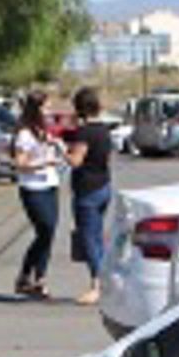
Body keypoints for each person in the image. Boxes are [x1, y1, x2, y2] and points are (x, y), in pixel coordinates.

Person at [63, 86, 113, 306]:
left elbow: (76, 161)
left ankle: (97, 285)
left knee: (89, 239)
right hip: (104, 185)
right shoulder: (104, 130)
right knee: (97, 235)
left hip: (87, 190)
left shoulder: (84, 133)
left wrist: (61, 150)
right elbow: (106, 158)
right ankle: (104, 280)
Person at [11, 92, 64, 297]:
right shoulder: (24, 134)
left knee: (49, 234)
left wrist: (57, 147)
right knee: (45, 228)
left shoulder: (43, 130)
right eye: (45, 108)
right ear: (36, 109)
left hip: (50, 184)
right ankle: (25, 275)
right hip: (32, 188)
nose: (49, 112)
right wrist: (44, 163)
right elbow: (20, 164)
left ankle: (39, 278)